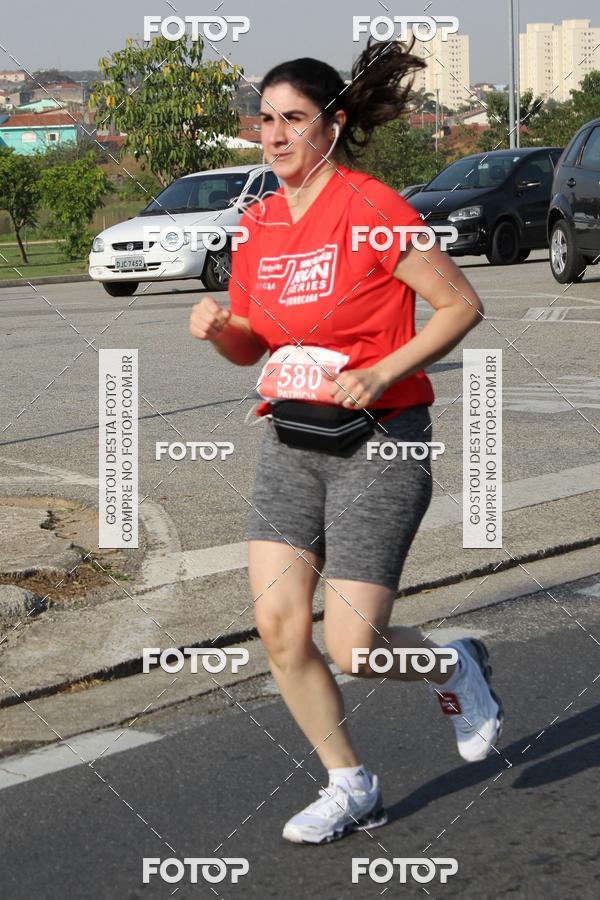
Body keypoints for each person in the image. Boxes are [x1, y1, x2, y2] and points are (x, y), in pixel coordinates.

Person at [189, 38, 503, 845]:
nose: (274, 135)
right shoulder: (258, 224)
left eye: (293, 119)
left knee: (355, 648)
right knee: (279, 628)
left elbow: (461, 304)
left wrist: (382, 370)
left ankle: (451, 664)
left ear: (332, 125)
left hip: (381, 443)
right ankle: (349, 783)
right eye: (265, 119)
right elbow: (251, 345)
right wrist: (221, 330)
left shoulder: (373, 208)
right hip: (292, 442)